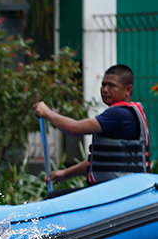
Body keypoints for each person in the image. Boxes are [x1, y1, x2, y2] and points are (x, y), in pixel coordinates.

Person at [33, 64, 150, 198]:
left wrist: (47, 113)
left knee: (53, 198)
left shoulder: (119, 114)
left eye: (111, 85)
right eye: (103, 84)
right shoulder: (127, 112)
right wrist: (65, 174)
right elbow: (100, 161)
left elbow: (74, 128)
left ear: (128, 90)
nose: (105, 90)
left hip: (118, 193)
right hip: (116, 190)